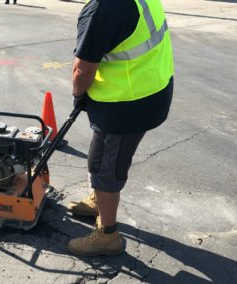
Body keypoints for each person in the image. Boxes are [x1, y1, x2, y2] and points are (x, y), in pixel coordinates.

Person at [68, 0, 174, 256]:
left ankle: (108, 235)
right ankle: (99, 201)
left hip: (126, 103)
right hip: (151, 89)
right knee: (101, 157)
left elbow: (82, 70)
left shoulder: (104, 8)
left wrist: (78, 95)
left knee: (104, 168)